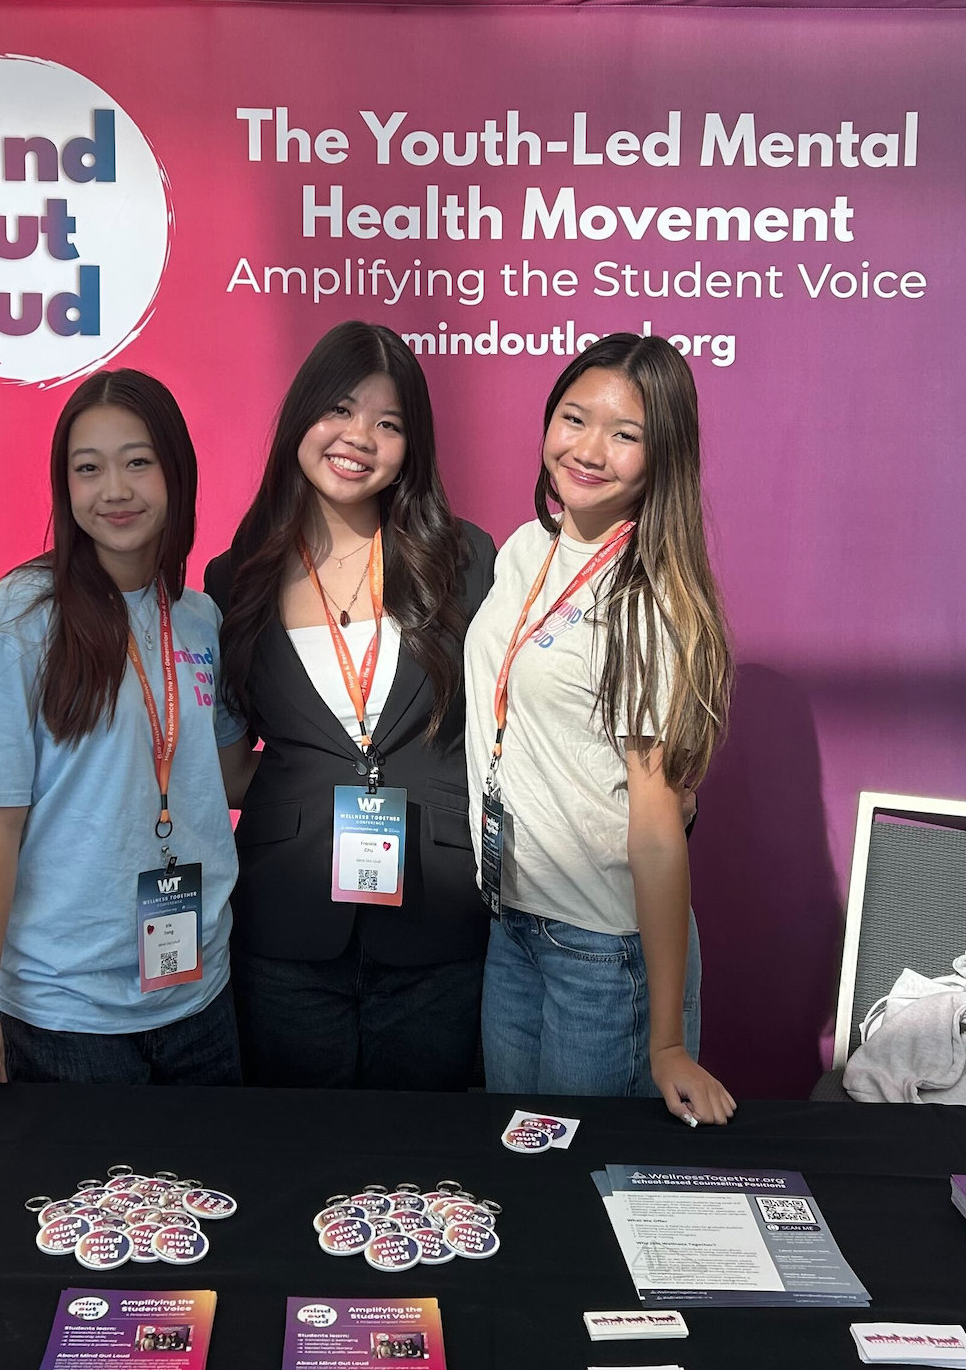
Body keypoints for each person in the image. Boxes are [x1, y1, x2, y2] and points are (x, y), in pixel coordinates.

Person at [0, 368, 250, 1086]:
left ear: (177, 471)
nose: (114, 489)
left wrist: (344, 774)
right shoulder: (15, 623)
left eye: (138, 462)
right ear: (65, 486)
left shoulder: (199, 618)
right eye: (89, 468)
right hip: (68, 1013)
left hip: (200, 995)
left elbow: (228, 776)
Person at [207, 321, 496, 1090]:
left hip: (436, 926)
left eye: (389, 423)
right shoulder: (234, 578)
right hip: (284, 925)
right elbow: (230, 763)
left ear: (414, 446)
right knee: (295, 1156)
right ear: (301, 416)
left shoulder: (467, 562)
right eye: (339, 409)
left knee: (424, 1162)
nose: (358, 437)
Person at [464, 332, 738, 1123]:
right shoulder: (524, 551)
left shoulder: (647, 599)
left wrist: (666, 1043)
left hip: (600, 948)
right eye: (574, 419)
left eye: (625, 436)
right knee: (520, 1166)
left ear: (664, 458)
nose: (589, 450)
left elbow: (658, 828)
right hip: (512, 921)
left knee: (587, 1185)